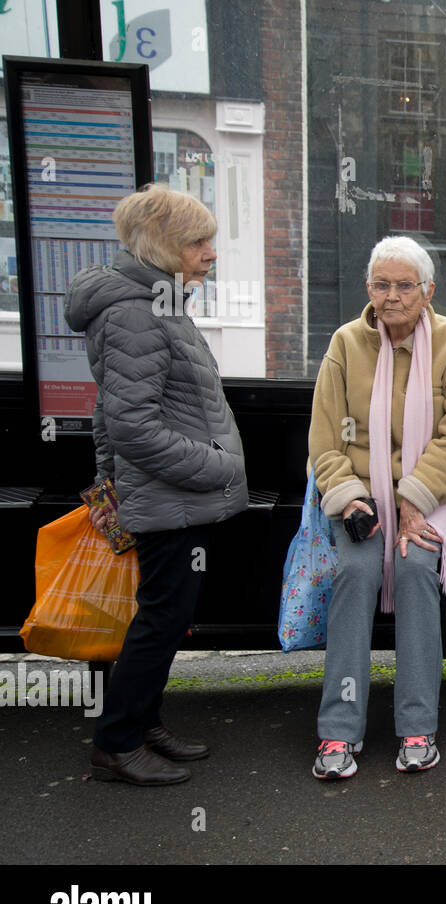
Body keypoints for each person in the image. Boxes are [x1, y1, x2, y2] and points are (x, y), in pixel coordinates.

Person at [65, 183, 249, 785]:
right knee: (159, 621)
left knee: (166, 618)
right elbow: (133, 426)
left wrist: (104, 479)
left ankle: (142, 724)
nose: (210, 253)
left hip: (175, 499)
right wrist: (217, 465)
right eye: (198, 242)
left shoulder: (159, 301)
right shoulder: (134, 313)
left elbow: (106, 412)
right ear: (163, 246)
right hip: (172, 500)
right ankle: (116, 743)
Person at [308, 236, 446, 779]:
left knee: (413, 571)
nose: (392, 297)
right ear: (369, 289)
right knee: (356, 571)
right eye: (381, 285)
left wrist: (414, 497)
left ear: (428, 291)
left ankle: (417, 727)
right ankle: (338, 734)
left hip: (436, 493)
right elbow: (324, 442)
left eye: (404, 285)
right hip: (360, 497)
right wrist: (350, 498)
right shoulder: (345, 345)